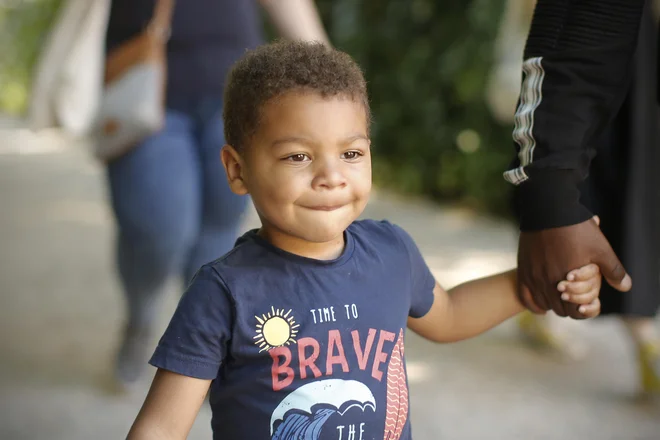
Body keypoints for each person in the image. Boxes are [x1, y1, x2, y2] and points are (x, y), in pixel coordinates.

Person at [126, 40, 603, 440]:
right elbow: (161, 429)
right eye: (297, 157)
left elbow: (451, 316)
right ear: (237, 169)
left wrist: (538, 279)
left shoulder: (391, 252)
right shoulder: (223, 291)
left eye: (351, 152)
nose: (331, 176)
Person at [103, 0, 330, 388]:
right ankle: (141, 315)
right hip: (145, 78)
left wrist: (327, 72)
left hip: (240, 88)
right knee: (159, 230)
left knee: (219, 230)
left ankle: (205, 350)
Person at [516, 2, 660, 395]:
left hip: (629, 44)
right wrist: (550, 202)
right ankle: (638, 330)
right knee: (590, 178)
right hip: (593, 34)